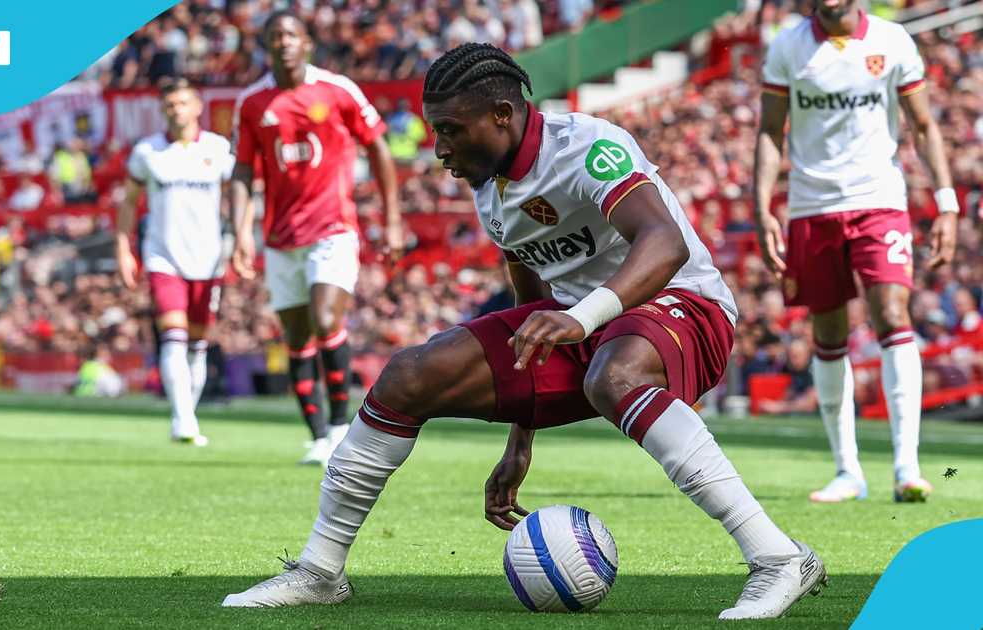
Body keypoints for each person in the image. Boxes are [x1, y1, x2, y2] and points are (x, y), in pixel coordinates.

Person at [222, 43, 824, 621]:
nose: (439, 149)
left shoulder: (589, 146)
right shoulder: (491, 189)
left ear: (503, 115)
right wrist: (521, 438)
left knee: (614, 376)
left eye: (451, 129)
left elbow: (663, 242)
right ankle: (320, 571)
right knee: (408, 376)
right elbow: (533, 312)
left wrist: (580, 317)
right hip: (583, 327)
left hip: (683, 305)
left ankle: (777, 557)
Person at [755, 0, 958, 503]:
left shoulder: (892, 41)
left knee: (892, 311)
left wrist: (947, 202)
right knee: (828, 332)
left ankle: (906, 467)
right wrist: (761, 207)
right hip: (812, 206)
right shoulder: (787, 46)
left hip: (879, 201)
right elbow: (768, 131)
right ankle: (849, 471)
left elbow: (925, 126)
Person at [230, 11, 403, 466]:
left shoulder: (338, 89)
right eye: (274, 36)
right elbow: (243, 172)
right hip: (279, 237)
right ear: (266, 46)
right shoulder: (252, 102)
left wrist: (393, 220)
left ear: (306, 42)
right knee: (296, 336)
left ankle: (341, 428)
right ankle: (316, 434)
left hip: (332, 228)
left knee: (326, 319)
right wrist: (240, 234)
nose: (283, 42)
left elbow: (378, 147)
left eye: (291, 34)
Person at [116, 78, 235, 446]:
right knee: (173, 336)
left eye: (183, 103)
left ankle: (188, 414)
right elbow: (128, 202)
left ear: (198, 106)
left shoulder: (218, 149)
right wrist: (123, 248)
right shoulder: (148, 152)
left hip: (209, 258)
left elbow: (239, 196)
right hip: (163, 256)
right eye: (170, 104)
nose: (176, 110)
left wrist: (241, 237)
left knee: (197, 344)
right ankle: (182, 419)